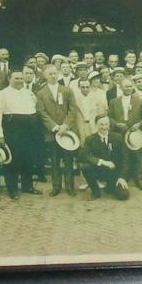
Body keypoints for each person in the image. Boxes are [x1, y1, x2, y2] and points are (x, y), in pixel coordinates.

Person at [36, 65, 83, 196]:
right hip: (52, 133)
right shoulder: (41, 93)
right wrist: (55, 127)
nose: (54, 76)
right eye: (50, 74)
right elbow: (41, 112)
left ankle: (70, 187)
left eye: (55, 73)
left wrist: (65, 125)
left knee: (68, 160)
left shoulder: (66, 90)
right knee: (54, 160)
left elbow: (72, 109)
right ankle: (56, 187)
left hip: (67, 132)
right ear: (45, 76)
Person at [0, 71, 41, 199]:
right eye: (16, 78)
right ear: (9, 79)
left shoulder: (29, 93)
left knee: (28, 159)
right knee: (11, 161)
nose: (19, 80)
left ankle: (27, 186)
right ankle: (12, 189)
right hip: (12, 130)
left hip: (29, 131)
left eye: (21, 78)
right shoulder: (2, 94)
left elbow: (34, 109)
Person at [108, 74, 142, 190]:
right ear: (121, 87)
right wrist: (116, 124)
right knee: (121, 155)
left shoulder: (140, 101)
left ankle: (139, 179)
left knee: (136, 156)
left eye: (130, 86)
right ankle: (122, 178)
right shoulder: (114, 101)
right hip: (119, 132)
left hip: (135, 133)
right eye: (125, 86)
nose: (128, 88)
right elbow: (109, 117)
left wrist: (139, 124)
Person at [79, 115, 129, 201]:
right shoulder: (90, 139)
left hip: (114, 173)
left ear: (109, 125)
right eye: (101, 124)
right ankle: (95, 192)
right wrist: (101, 162)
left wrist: (122, 177)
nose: (104, 127)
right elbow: (82, 155)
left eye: (106, 124)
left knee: (123, 196)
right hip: (99, 171)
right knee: (85, 167)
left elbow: (126, 158)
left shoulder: (118, 137)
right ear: (96, 125)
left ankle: (110, 186)